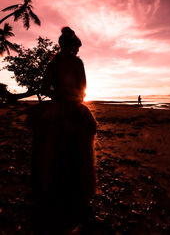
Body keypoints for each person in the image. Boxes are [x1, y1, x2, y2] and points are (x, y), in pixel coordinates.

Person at [28, 27, 96, 234]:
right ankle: (79, 187)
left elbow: (43, 88)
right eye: (75, 48)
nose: (75, 52)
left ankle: (50, 185)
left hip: (58, 104)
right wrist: (74, 99)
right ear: (71, 46)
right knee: (89, 131)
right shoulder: (76, 62)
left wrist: (57, 96)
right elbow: (83, 87)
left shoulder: (54, 62)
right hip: (73, 105)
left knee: (45, 141)